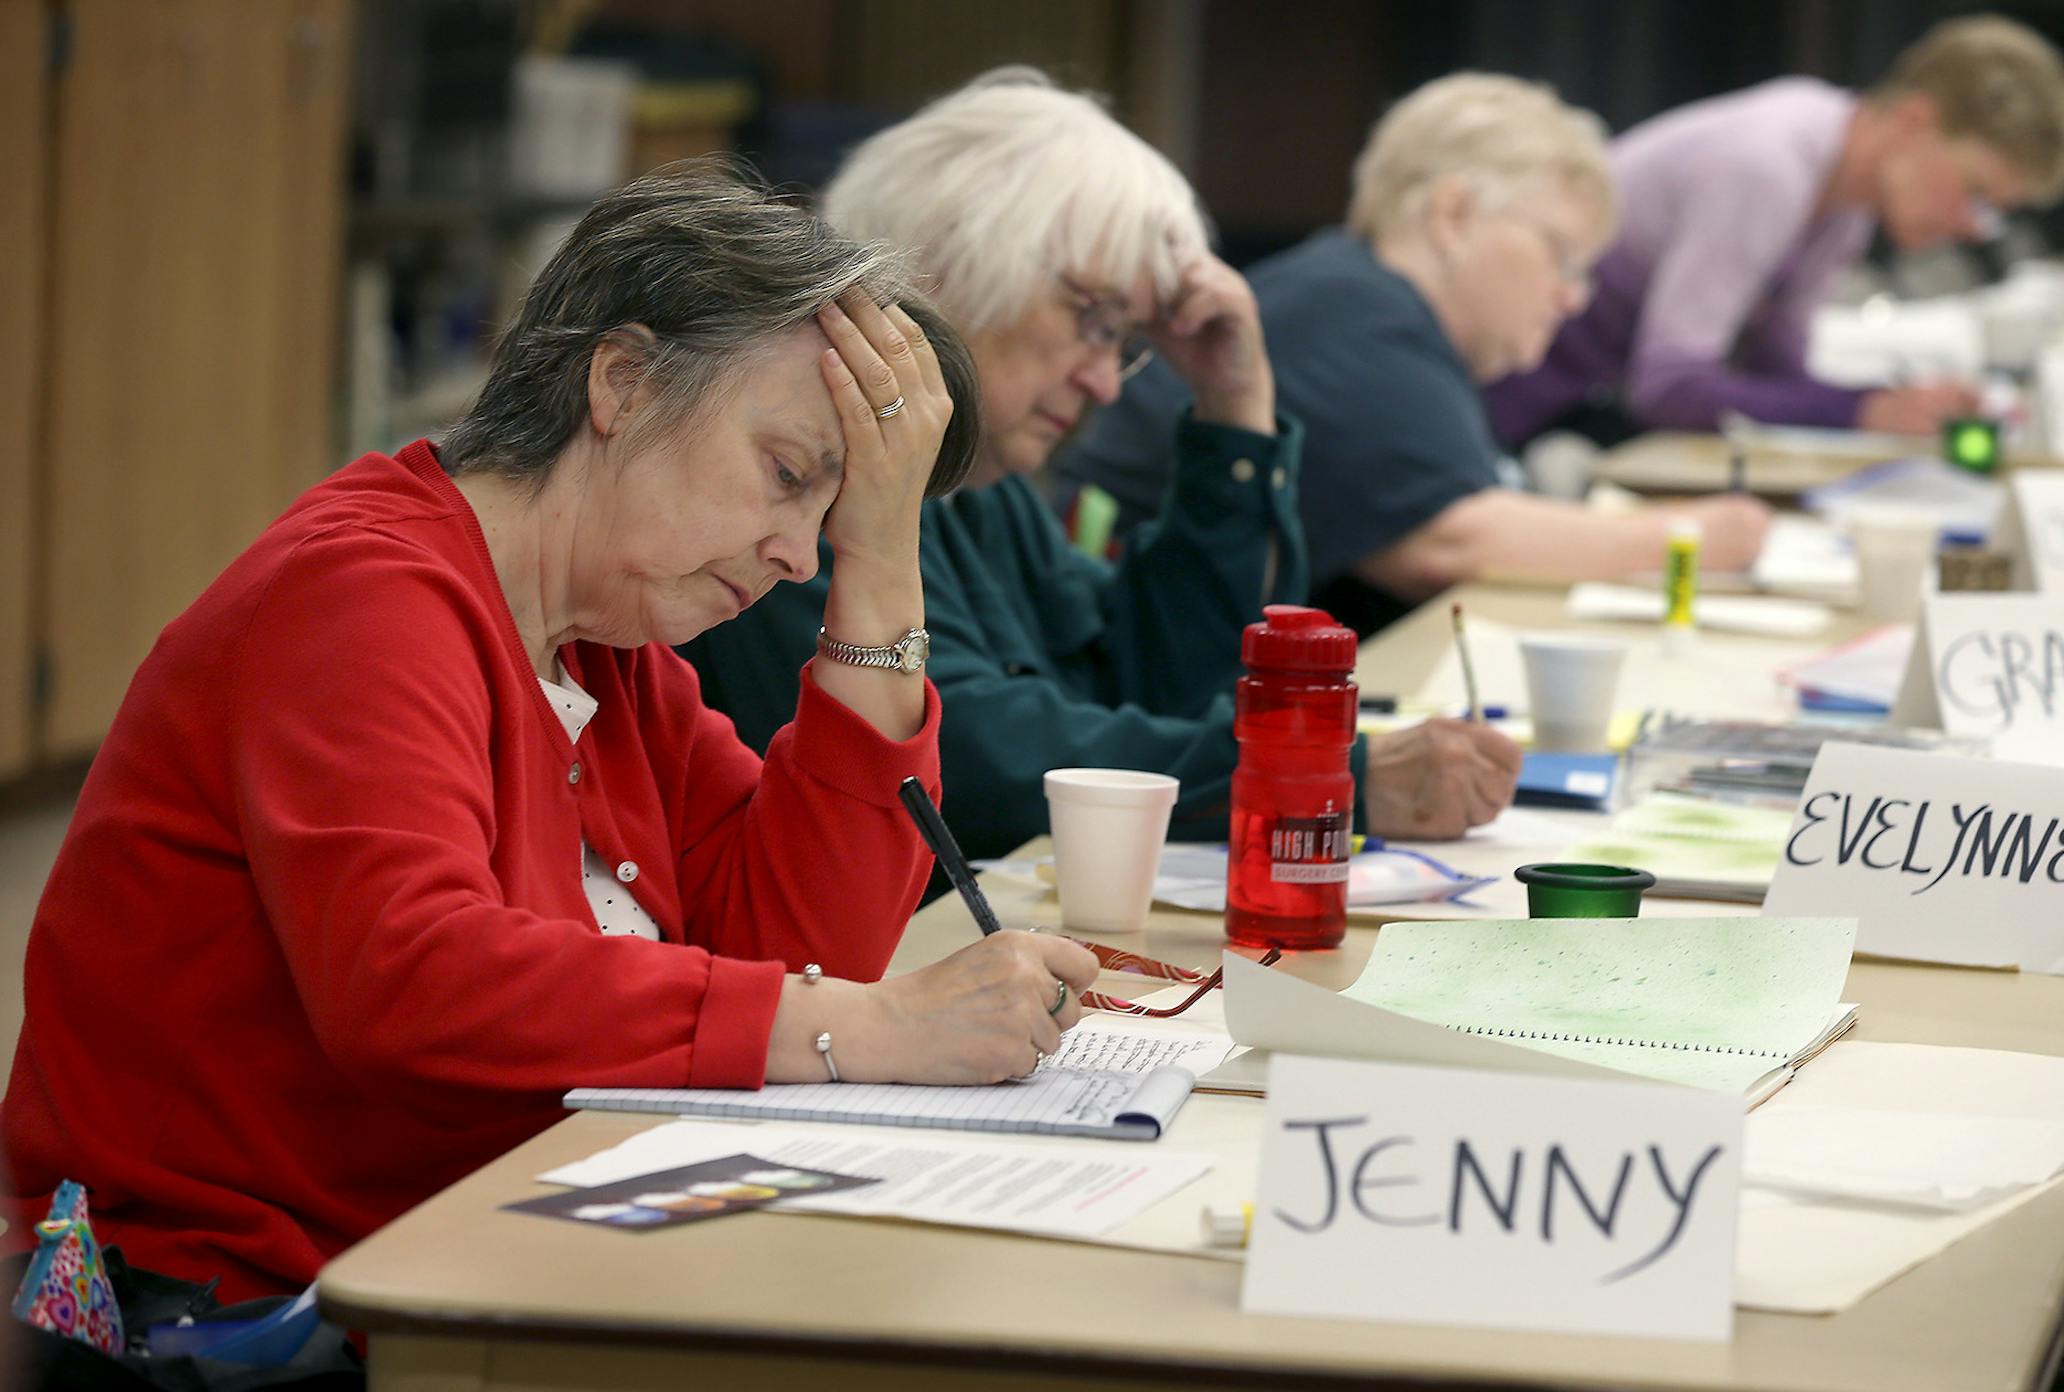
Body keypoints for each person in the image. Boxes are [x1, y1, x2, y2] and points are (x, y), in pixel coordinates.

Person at [1, 161, 1104, 1302]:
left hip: (473, 1252)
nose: (795, 554)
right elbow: (415, 980)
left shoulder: (610, 653)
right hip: (230, 1310)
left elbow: (801, 945)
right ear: (620, 383)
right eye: (784, 476)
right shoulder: (360, 596)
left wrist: (879, 564)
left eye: (825, 513)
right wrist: (864, 1029)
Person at [679, 69, 1520, 863]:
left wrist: (1236, 411)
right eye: (1093, 320)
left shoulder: (978, 480)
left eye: (1127, 341)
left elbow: (1156, 680)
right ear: (952, 262)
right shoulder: (810, 463)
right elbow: (975, 767)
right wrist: (1316, 773)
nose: (1107, 381)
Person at [1057, 74, 1772, 637]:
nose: (1573, 297)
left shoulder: (1363, 303)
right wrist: (1695, 538)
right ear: (1452, 216)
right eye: (1563, 256)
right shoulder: (1354, 317)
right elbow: (1453, 542)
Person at [1483, 13, 2064, 451]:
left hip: (1553, 403)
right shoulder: (1768, 164)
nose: (1970, 225)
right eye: (1975, 192)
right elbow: (1669, 387)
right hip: (1501, 396)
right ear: (1914, 121)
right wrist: (1867, 410)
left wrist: (1897, 405)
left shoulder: (1846, 196)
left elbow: (1776, 370)